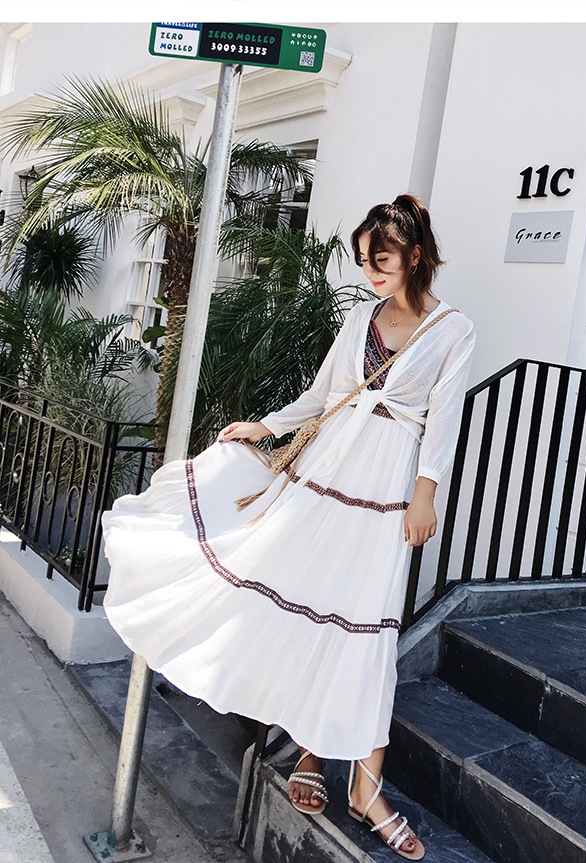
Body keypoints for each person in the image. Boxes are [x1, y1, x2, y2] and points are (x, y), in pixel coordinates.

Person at [101, 194, 475, 860]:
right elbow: (323, 396)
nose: (370, 273)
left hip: (383, 491)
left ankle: (366, 787)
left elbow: (442, 424)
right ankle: (309, 752)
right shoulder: (361, 317)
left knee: (368, 627)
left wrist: (426, 496)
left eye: (381, 260)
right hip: (322, 478)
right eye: (364, 261)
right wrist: (267, 425)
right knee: (309, 608)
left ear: (415, 255)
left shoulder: (453, 330)